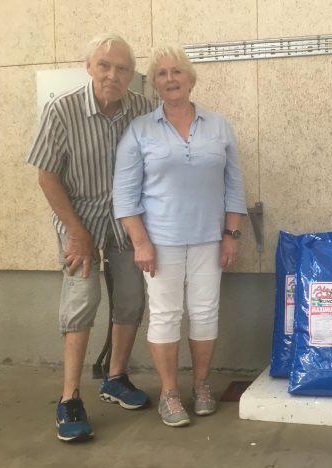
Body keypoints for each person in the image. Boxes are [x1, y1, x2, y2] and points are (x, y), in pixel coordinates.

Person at [112, 45, 247, 427]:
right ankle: (170, 393)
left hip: (209, 238)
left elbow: (234, 185)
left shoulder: (219, 125)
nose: (170, 79)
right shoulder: (139, 130)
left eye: (177, 71)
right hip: (160, 242)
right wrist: (140, 242)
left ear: (190, 78)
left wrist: (232, 234)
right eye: (162, 73)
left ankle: (201, 386)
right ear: (154, 83)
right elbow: (124, 195)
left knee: (204, 312)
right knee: (166, 314)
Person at [27, 34, 152, 442]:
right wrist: (77, 232)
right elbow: (47, 176)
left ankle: (115, 377)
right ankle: (70, 397)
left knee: (131, 297)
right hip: (77, 218)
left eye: (122, 68)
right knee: (83, 299)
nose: (113, 75)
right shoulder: (61, 110)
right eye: (104, 65)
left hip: (125, 220)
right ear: (89, 67)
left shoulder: (142, 109)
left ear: (132, 74)